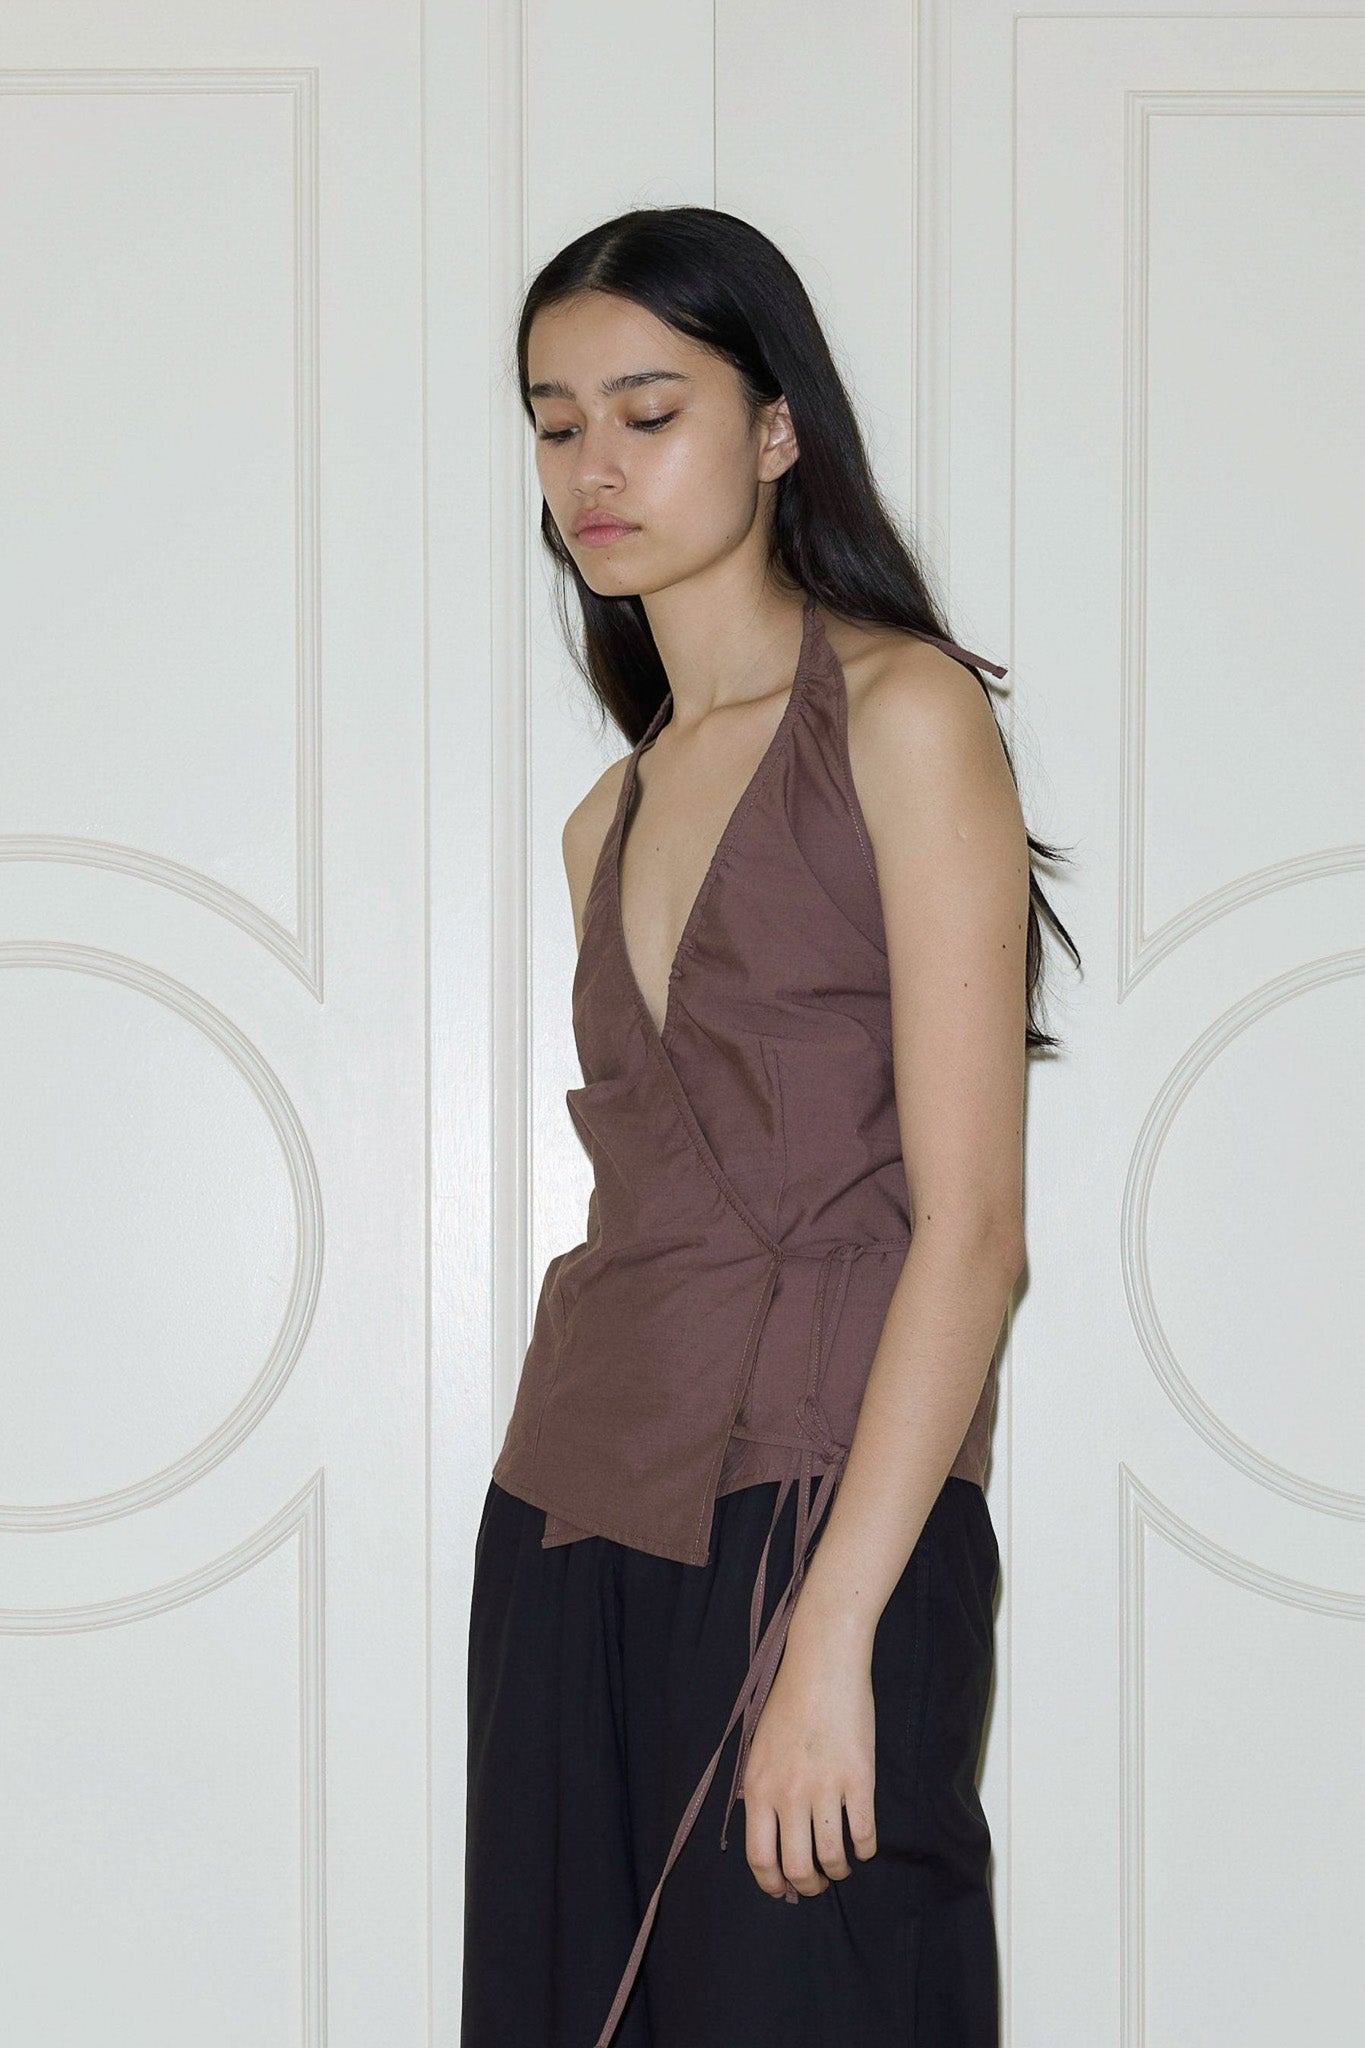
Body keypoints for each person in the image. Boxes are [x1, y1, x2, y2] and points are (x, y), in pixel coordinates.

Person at [461, 206, 1079, 2048]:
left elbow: (969, 1235)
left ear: (776, 425)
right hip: (568, 1511)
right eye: (555, 421)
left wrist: (829, 1636)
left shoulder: (900, 716)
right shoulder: (607, 817)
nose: (595, 466)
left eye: (649, 410)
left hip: (818, 1498)